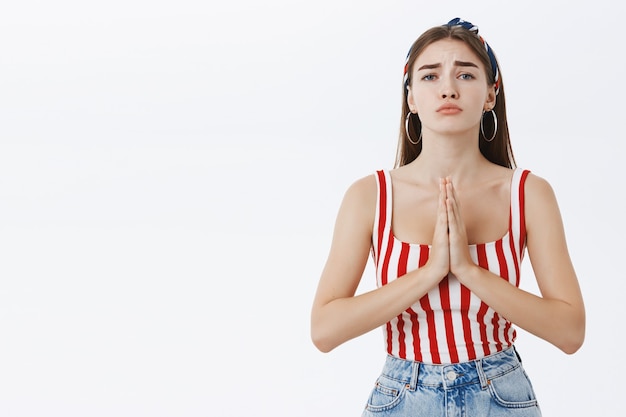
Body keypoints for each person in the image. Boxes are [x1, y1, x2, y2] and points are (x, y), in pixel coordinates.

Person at [310, 17, 585, 416]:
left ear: (491, 95)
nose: (448, 88)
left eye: (466, 75)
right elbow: (324, 329)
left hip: (501, 395)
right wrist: (430, 272)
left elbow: (570, 331)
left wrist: (470, 271)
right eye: (429, 76)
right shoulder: (370, 196)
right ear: (411, 98)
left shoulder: (528, 194)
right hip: (403, 395)